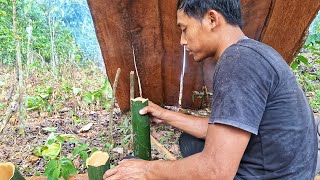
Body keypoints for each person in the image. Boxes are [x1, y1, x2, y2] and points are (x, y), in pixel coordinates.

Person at [103, 0, 317, 179]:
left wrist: (146, 170)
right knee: (191, 142)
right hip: (290, 170)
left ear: (212, 20)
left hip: (278, 176)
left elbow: (216, 172)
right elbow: (219, 129)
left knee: (147, 168)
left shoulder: (238, 63)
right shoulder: (254, 53)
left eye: (184, 29)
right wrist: (165, 115)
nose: (182, 40)